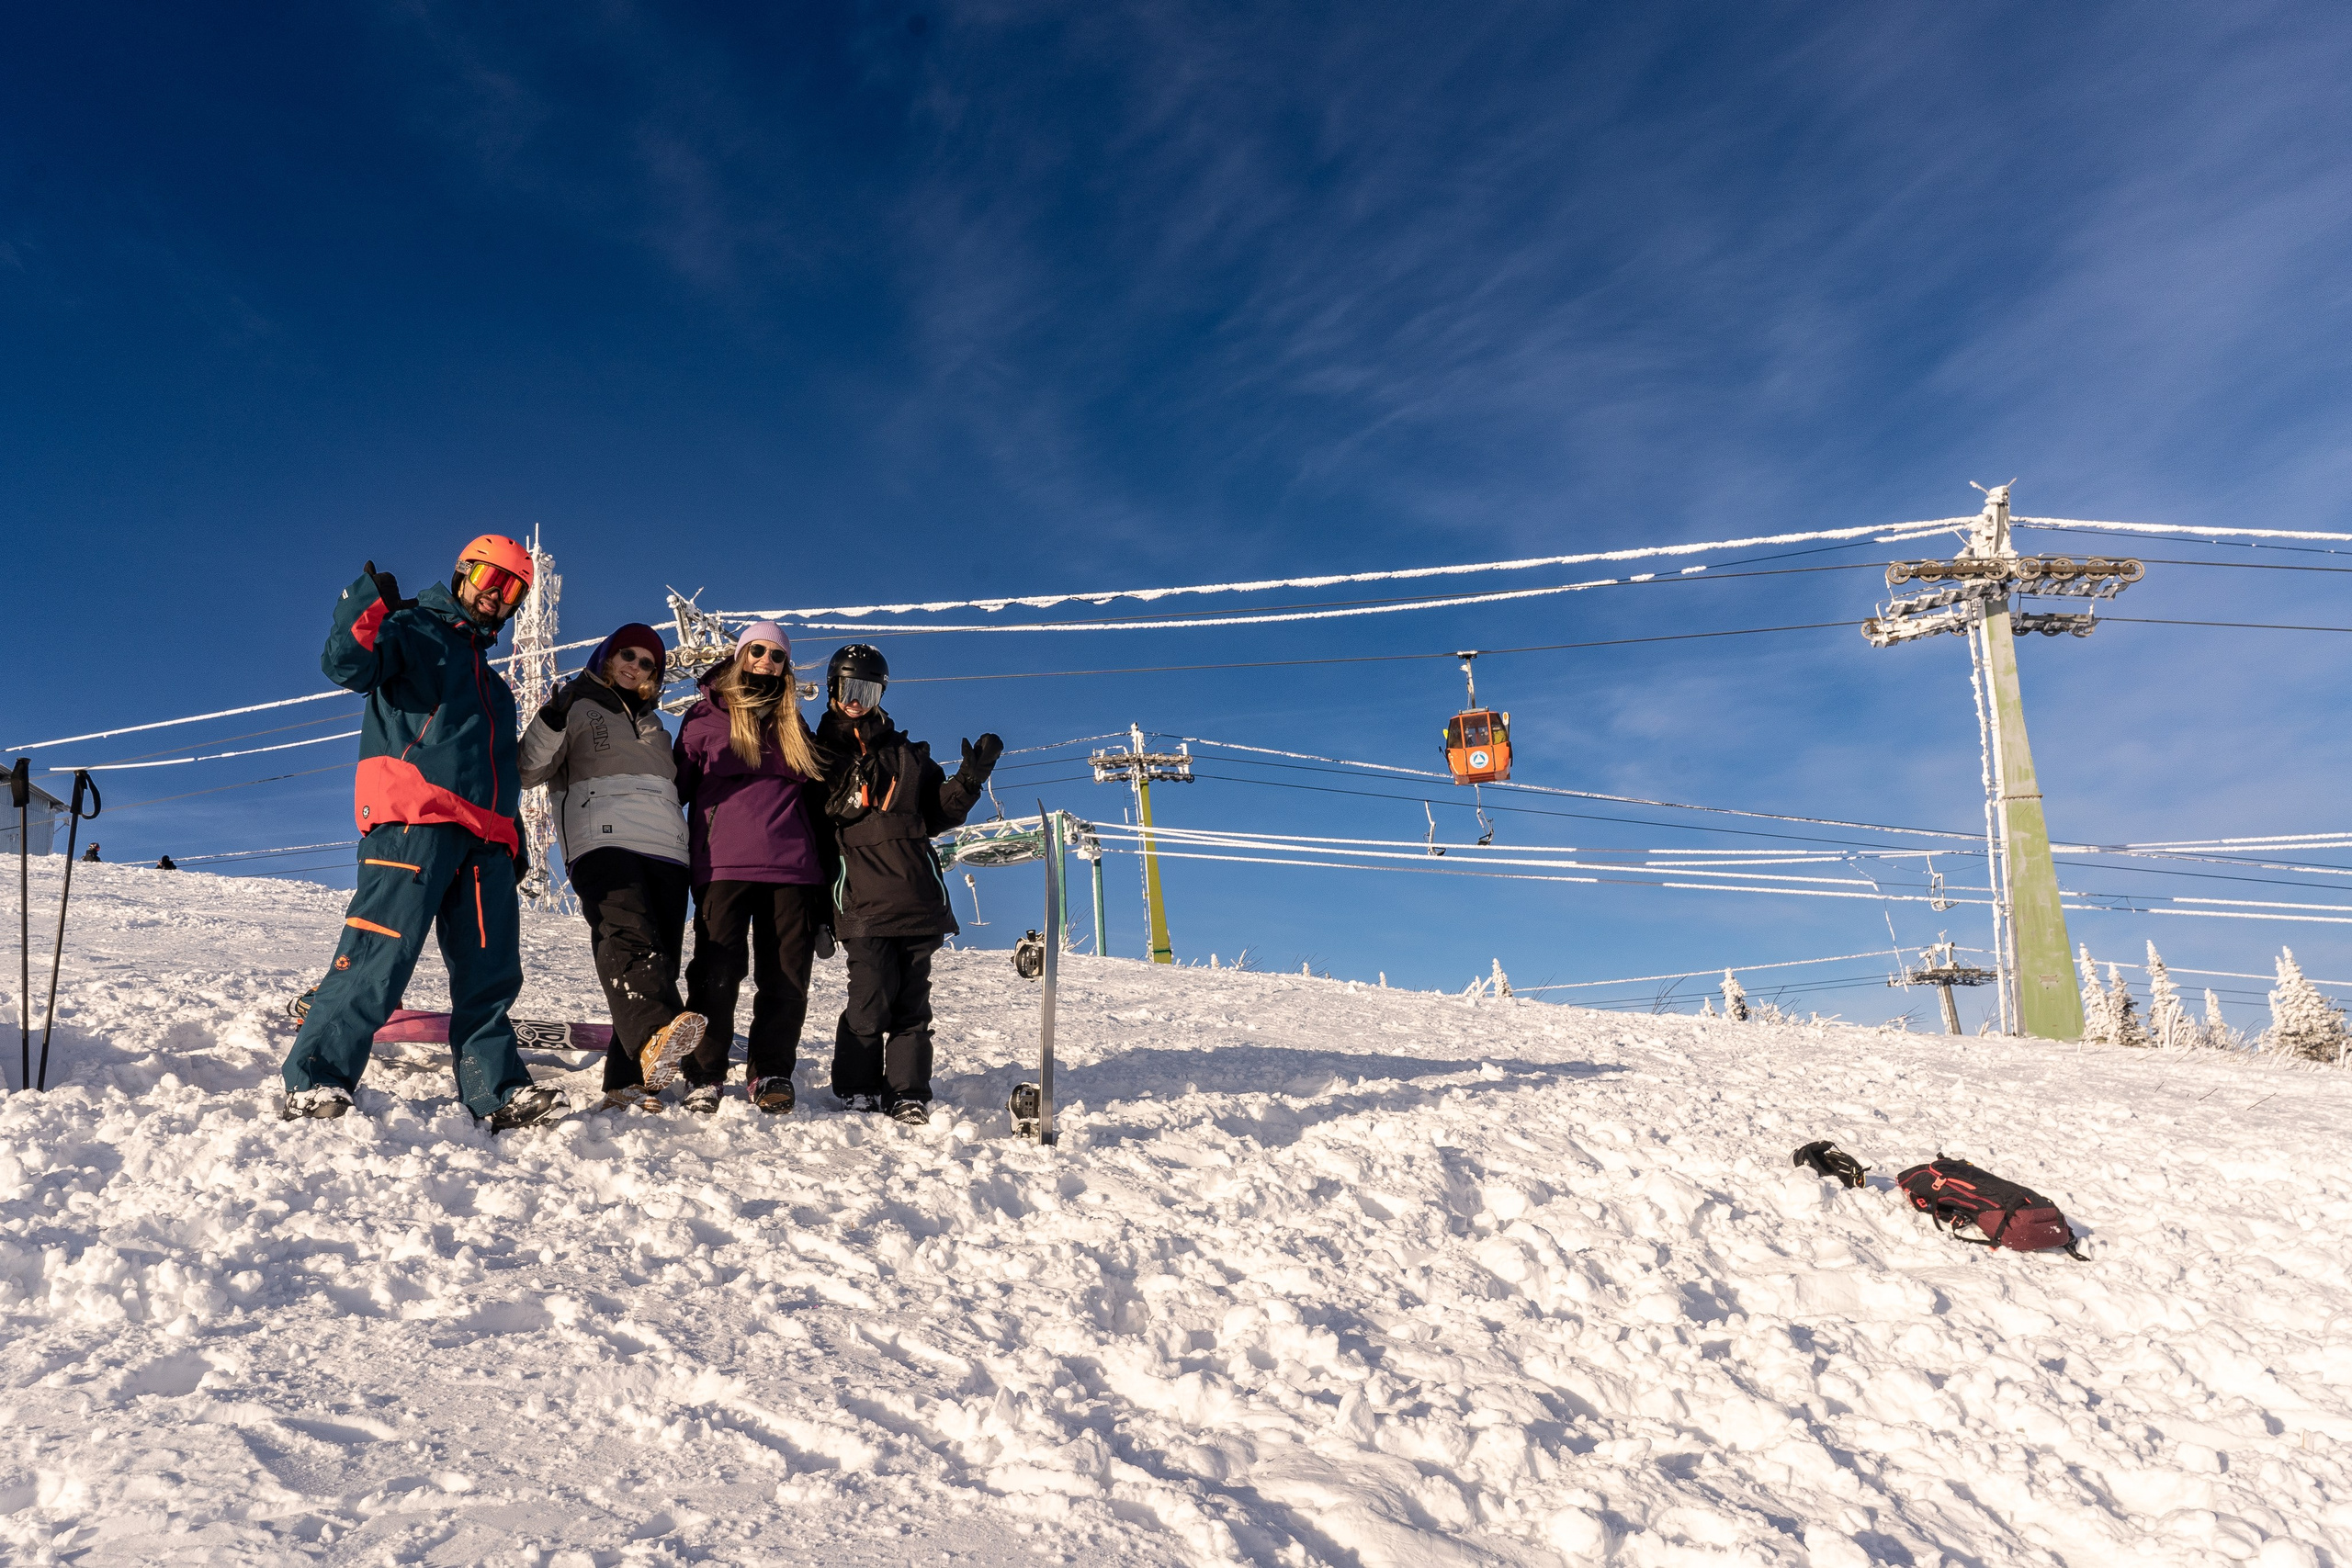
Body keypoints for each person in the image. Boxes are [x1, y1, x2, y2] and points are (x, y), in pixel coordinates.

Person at [278, 536, 561, 1130]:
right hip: (414, 818)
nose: (497, 595)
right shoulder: (411, 628)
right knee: (381, 951)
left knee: (491, 972)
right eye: (490, 576)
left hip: (485, 840)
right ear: (462, 572)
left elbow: (500, 772)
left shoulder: (497, 689)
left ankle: (497, 1089)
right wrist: (366, 603)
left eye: (514, 590)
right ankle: (317, 1077)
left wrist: (515, 842)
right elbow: (345, 664)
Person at [517, 623, 706, 1111]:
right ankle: (654, 1033)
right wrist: (552, 715)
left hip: (666, 847)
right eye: (628, 654)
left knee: (657, 957)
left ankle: (626, 1083)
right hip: (602, 839)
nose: (636, 667)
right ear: (606, 654)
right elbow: (528, 769)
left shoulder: (659, 727)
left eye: (649, 663)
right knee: (628, 939)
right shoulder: (575, 707)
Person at [815, 644, 1001, 1123]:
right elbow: (812, 830)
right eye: (848, 686)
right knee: (870, 996)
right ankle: (857, 1085)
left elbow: (938, 815)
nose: (856, 698)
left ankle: (907, 1091)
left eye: (868, 688)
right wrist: (815, 909)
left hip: (917, 897)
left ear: (880, 693)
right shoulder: (817, 753)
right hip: (860, 899)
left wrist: (968, 781)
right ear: (833, 687)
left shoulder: (909, 755)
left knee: (912, 1002)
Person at [673, 622, 833, 1115]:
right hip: (723, 864)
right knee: (716, 972)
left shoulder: (795, 726)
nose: (766, 660)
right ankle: (704, 1074)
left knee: (786, 977)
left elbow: (821, 804)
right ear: (740, 655)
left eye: (777, 656)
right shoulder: (703, 718)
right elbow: (671, 789)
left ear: (786, 668)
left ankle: (771, 1071)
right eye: (757, 650)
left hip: (793, 869)